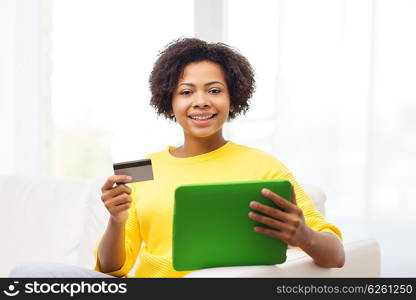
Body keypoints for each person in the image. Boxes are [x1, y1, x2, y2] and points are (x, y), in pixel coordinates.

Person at [9, 37, 344, 278]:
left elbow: (337, 255)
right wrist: (116, 219)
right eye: (186, 92)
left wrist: (304, 235)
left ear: (232, 99)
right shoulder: (142, 169)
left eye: (214, 90)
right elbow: (113, 269)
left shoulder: (265, 167)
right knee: (28, 274)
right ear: (169, 102)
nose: (200, 101)